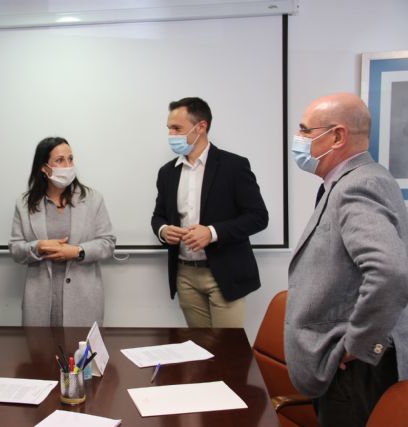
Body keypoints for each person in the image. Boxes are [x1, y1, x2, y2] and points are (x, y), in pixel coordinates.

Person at [285, 92, 408, 426]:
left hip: (355, 370)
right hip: (349, 367)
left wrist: (360, 343)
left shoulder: (359, 184)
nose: (299, 140)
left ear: (337, 136)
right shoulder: (347, 182)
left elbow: (390, 272)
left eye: (305, 130)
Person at [151, 97, 268, 327]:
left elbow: (258, 217)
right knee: (199, 351)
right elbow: (158, 216)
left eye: (177, 128)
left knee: (227, 352)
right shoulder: (167, 173)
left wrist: (212, 232)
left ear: (201, 127)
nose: (171, 135)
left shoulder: (234, 166)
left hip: (224, 272)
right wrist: (164, 231)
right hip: (185, 274)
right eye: (169, 129)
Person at [9, 137, 116, 326]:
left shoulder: (92, 199)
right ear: (44, 167)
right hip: (39, 302)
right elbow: (16, 250)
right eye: (60, 160)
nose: (67, 165)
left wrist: (77, 251)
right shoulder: (24, 203)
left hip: (83, 301)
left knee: (83, 355)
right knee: (39, 354)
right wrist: (38, 246)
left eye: (71, 159)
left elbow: (108, 243)